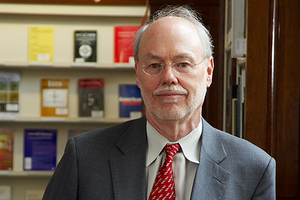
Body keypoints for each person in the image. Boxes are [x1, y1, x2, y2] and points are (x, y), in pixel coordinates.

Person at [42, 5, 276, 200]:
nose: (168, 77)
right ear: (137, 74)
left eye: (183, 64)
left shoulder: (255, 169)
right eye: (154, 65)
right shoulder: (83, 157)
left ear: (208, 71)